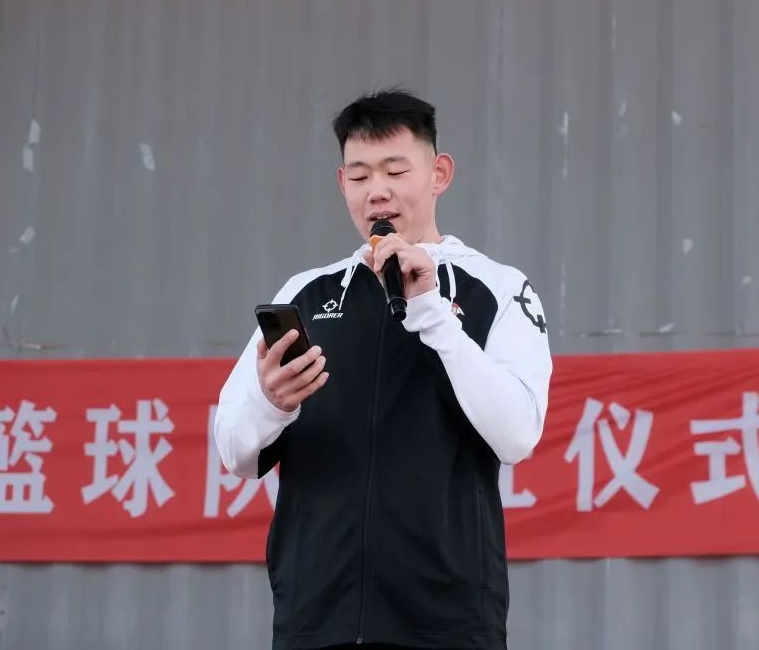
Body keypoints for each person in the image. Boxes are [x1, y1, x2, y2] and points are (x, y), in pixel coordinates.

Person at [214, 89, 553, 650]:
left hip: (446, 625)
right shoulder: (306, 293)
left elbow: (518, 435)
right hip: (314, 619)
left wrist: (435, 317)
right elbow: (235, 453)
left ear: (439, 174)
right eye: (360, 175)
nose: (378, 191)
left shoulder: (497, 288)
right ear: (342, 183)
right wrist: (270, 403)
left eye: (396, 171)